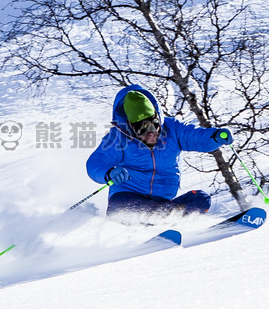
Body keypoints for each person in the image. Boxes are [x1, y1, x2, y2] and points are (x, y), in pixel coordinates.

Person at [86, 84, 234, 222]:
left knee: (201, 198)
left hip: (162, 201)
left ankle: (161, 219)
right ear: (130, 127)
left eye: (154, 124)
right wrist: (109, 172)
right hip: (130, 197)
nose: (151, 133)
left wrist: (215, 136)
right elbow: (96, 162)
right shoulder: (118, 138)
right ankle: (158, 220)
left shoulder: (173, 129)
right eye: (143, 128)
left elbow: (197, 137)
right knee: (121, 206)